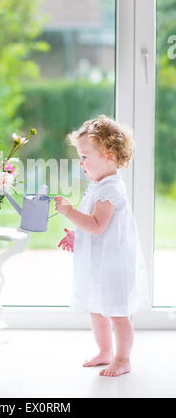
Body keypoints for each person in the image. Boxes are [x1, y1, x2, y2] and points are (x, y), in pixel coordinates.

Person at [54, 115, 149, 377]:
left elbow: (97, 225)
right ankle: (105, 352)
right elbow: (94, 229)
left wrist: (69, 211)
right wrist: (77, 235)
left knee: (117, 313)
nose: (81, 163)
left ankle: (122, 358)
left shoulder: (110, 190)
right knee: (96, 310)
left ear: (108, 154)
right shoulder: (98, 186)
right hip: (100, 264)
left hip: (114, 266)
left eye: (85, 157)